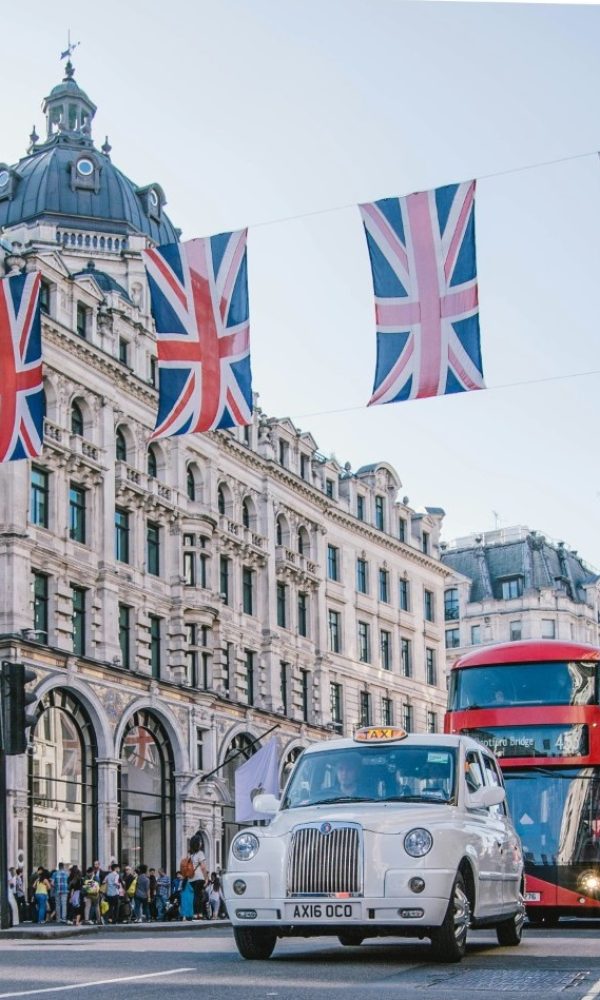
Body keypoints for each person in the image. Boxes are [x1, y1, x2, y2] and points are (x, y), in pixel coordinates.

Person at [188, 832, 209, 919]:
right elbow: (203, 867)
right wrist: (206, 878)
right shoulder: (200, 853)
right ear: (198, 843)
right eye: (200, 841)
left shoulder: (191, 855)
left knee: (196, 895)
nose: (201, 843)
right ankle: (198, 914)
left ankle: (195, 914)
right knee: (198, 896)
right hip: (199, 877)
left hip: (191, 879)